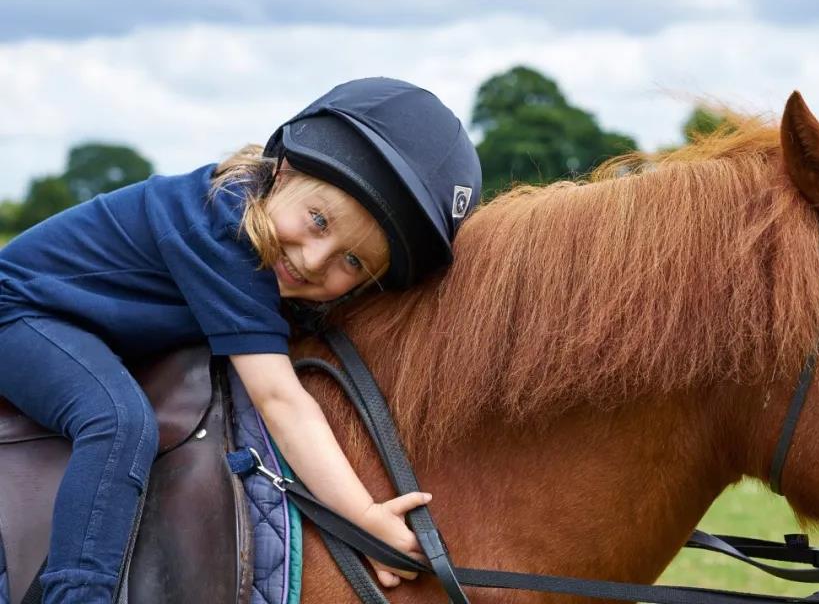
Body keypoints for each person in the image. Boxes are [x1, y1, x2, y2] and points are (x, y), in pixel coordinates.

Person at [0, 77, 482, 603]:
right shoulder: (224, 226)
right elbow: (279, 398)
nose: (313, 261)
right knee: (117, 420)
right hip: (21, 311)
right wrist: (362, 516)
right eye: (318, 220)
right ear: (283, 171)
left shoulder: (267, 228)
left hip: (87, 322)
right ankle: (77, 592)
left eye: (353, 261)